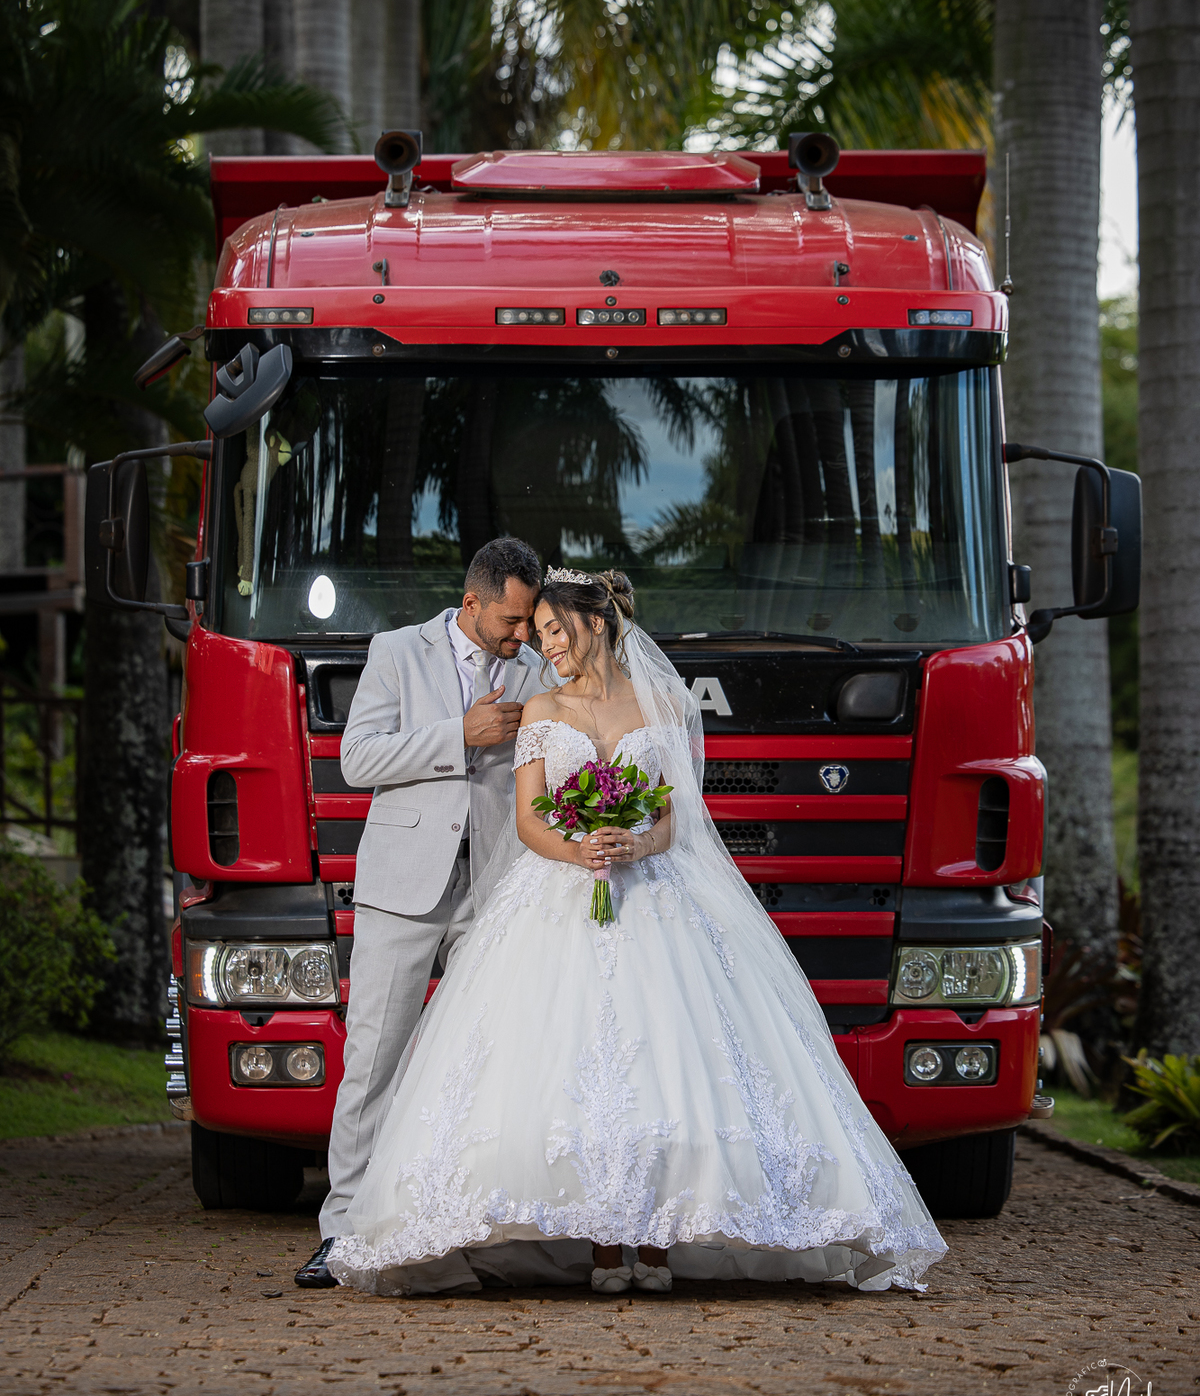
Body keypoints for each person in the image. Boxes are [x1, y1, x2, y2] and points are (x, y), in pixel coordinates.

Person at [327, 568, 947, 1298]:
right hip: (552, 896)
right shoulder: (538, 705)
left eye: (552, 630)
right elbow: (528, 819)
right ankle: (587, 1245)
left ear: (594, 623)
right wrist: (578, 848)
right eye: (535, 631)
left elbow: (675, 819)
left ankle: (657, 1245)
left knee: (664, 1059)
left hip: (655, 896)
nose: (542, 645)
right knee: (548, 1061)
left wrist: (637, 843)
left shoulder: (667, 704)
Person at [294, 537, 545, 1288]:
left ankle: (460, 1226)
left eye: (530, 620)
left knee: (481, 1064)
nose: (522, 635)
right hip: (403, 887)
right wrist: (457, 735)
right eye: (511, 620)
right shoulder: (398, 652)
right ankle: (343, 1231)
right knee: (373, 1061)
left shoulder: (537, 668)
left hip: (496, 890)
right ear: (471, 603)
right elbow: (357, 759)